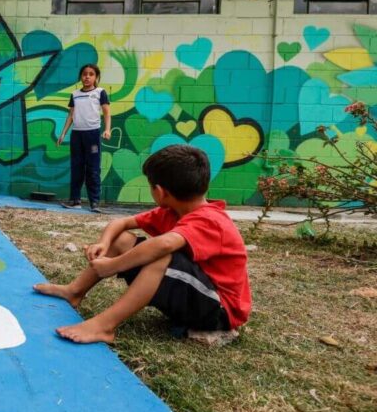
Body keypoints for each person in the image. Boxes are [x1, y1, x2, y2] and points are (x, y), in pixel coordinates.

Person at [33, 145, 252, 345]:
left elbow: (165, 244)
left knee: (162, 255)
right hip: (191, 294)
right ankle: (75, 292)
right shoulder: (171, 211)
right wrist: (104, 243)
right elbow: (121, 223)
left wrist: (113, 265)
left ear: (159, 191)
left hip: (219, 310)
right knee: (122, 239)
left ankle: (104, 326)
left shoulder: (211, 220)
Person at [57, 63, 111, 212]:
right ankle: (75, 200)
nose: (87, 77)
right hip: (77, 135)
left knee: (93, 169)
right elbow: (71, 115)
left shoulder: (100, 92)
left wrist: (107, 130)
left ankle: (94, 202)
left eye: (91, 74)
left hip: (92, 135)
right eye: (84, 74)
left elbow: (107, 112)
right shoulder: (75, 94)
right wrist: (63, 133)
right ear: (81, 76)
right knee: (76, 167)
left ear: (96, 77)